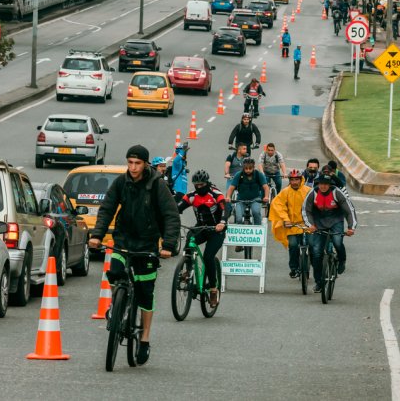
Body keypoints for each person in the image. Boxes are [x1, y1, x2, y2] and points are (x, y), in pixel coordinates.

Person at [89, 145, 180, 365]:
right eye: (130, 162)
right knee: (116, 271)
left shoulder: (157, 185)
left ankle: (145, 337)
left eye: (137, 163)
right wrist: (97, 235)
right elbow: (107, 208)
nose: (133, 167)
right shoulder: (122, 182)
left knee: (145, 293)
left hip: (147, 245)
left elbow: (171, 215)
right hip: (123, 239)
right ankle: (116, 304)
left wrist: (167, 245)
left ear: (146, 164)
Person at [177, 170, 227, 307]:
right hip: (201, 228)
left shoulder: (215, 194)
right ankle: (188, 270)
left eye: (202, 184)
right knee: (189, 240)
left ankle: (213, 290)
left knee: (208, 257)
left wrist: (222, 222)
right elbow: (179, 207)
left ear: (207, 183)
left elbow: (226, 208)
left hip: (216, 230)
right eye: (196, 185)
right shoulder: (192, 196)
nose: (199, 187)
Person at [302, 174, 357, 293]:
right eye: (321, 184)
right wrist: (310, 225)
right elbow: (306, 210)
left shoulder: (337, 193)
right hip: (318, 223)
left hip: (335, 221)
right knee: (316, 253)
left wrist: (351, 227)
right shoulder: (313, 193)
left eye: (326, 184)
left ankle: (341, 260)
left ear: (330, 184)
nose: (323, 186)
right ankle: (319, 282)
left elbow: (349, 210)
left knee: (337, 242)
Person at [268, 169, 312, 278]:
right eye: (292, 180)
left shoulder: (309, 191)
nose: (294, 182)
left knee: (313, 245)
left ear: (301, 179)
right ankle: (294, 268)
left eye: (297, 179)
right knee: (293, 246)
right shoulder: (285, 192)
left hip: (307, 225)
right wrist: (285, 219)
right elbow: (278, 205)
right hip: (292, 225)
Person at [225, 157, 269, 228]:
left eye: (250, 168)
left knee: (256, 212)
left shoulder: (258, 174)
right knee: (238, 218)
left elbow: (266, 187)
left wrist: (266, 196)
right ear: (243, 168)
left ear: (253, 167)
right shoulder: (238, 175)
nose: (248, 170)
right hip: (240, 200)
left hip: (255, 199)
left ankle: (257, 230)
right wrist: (228, 197)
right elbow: (231, 188)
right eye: (246, 169)